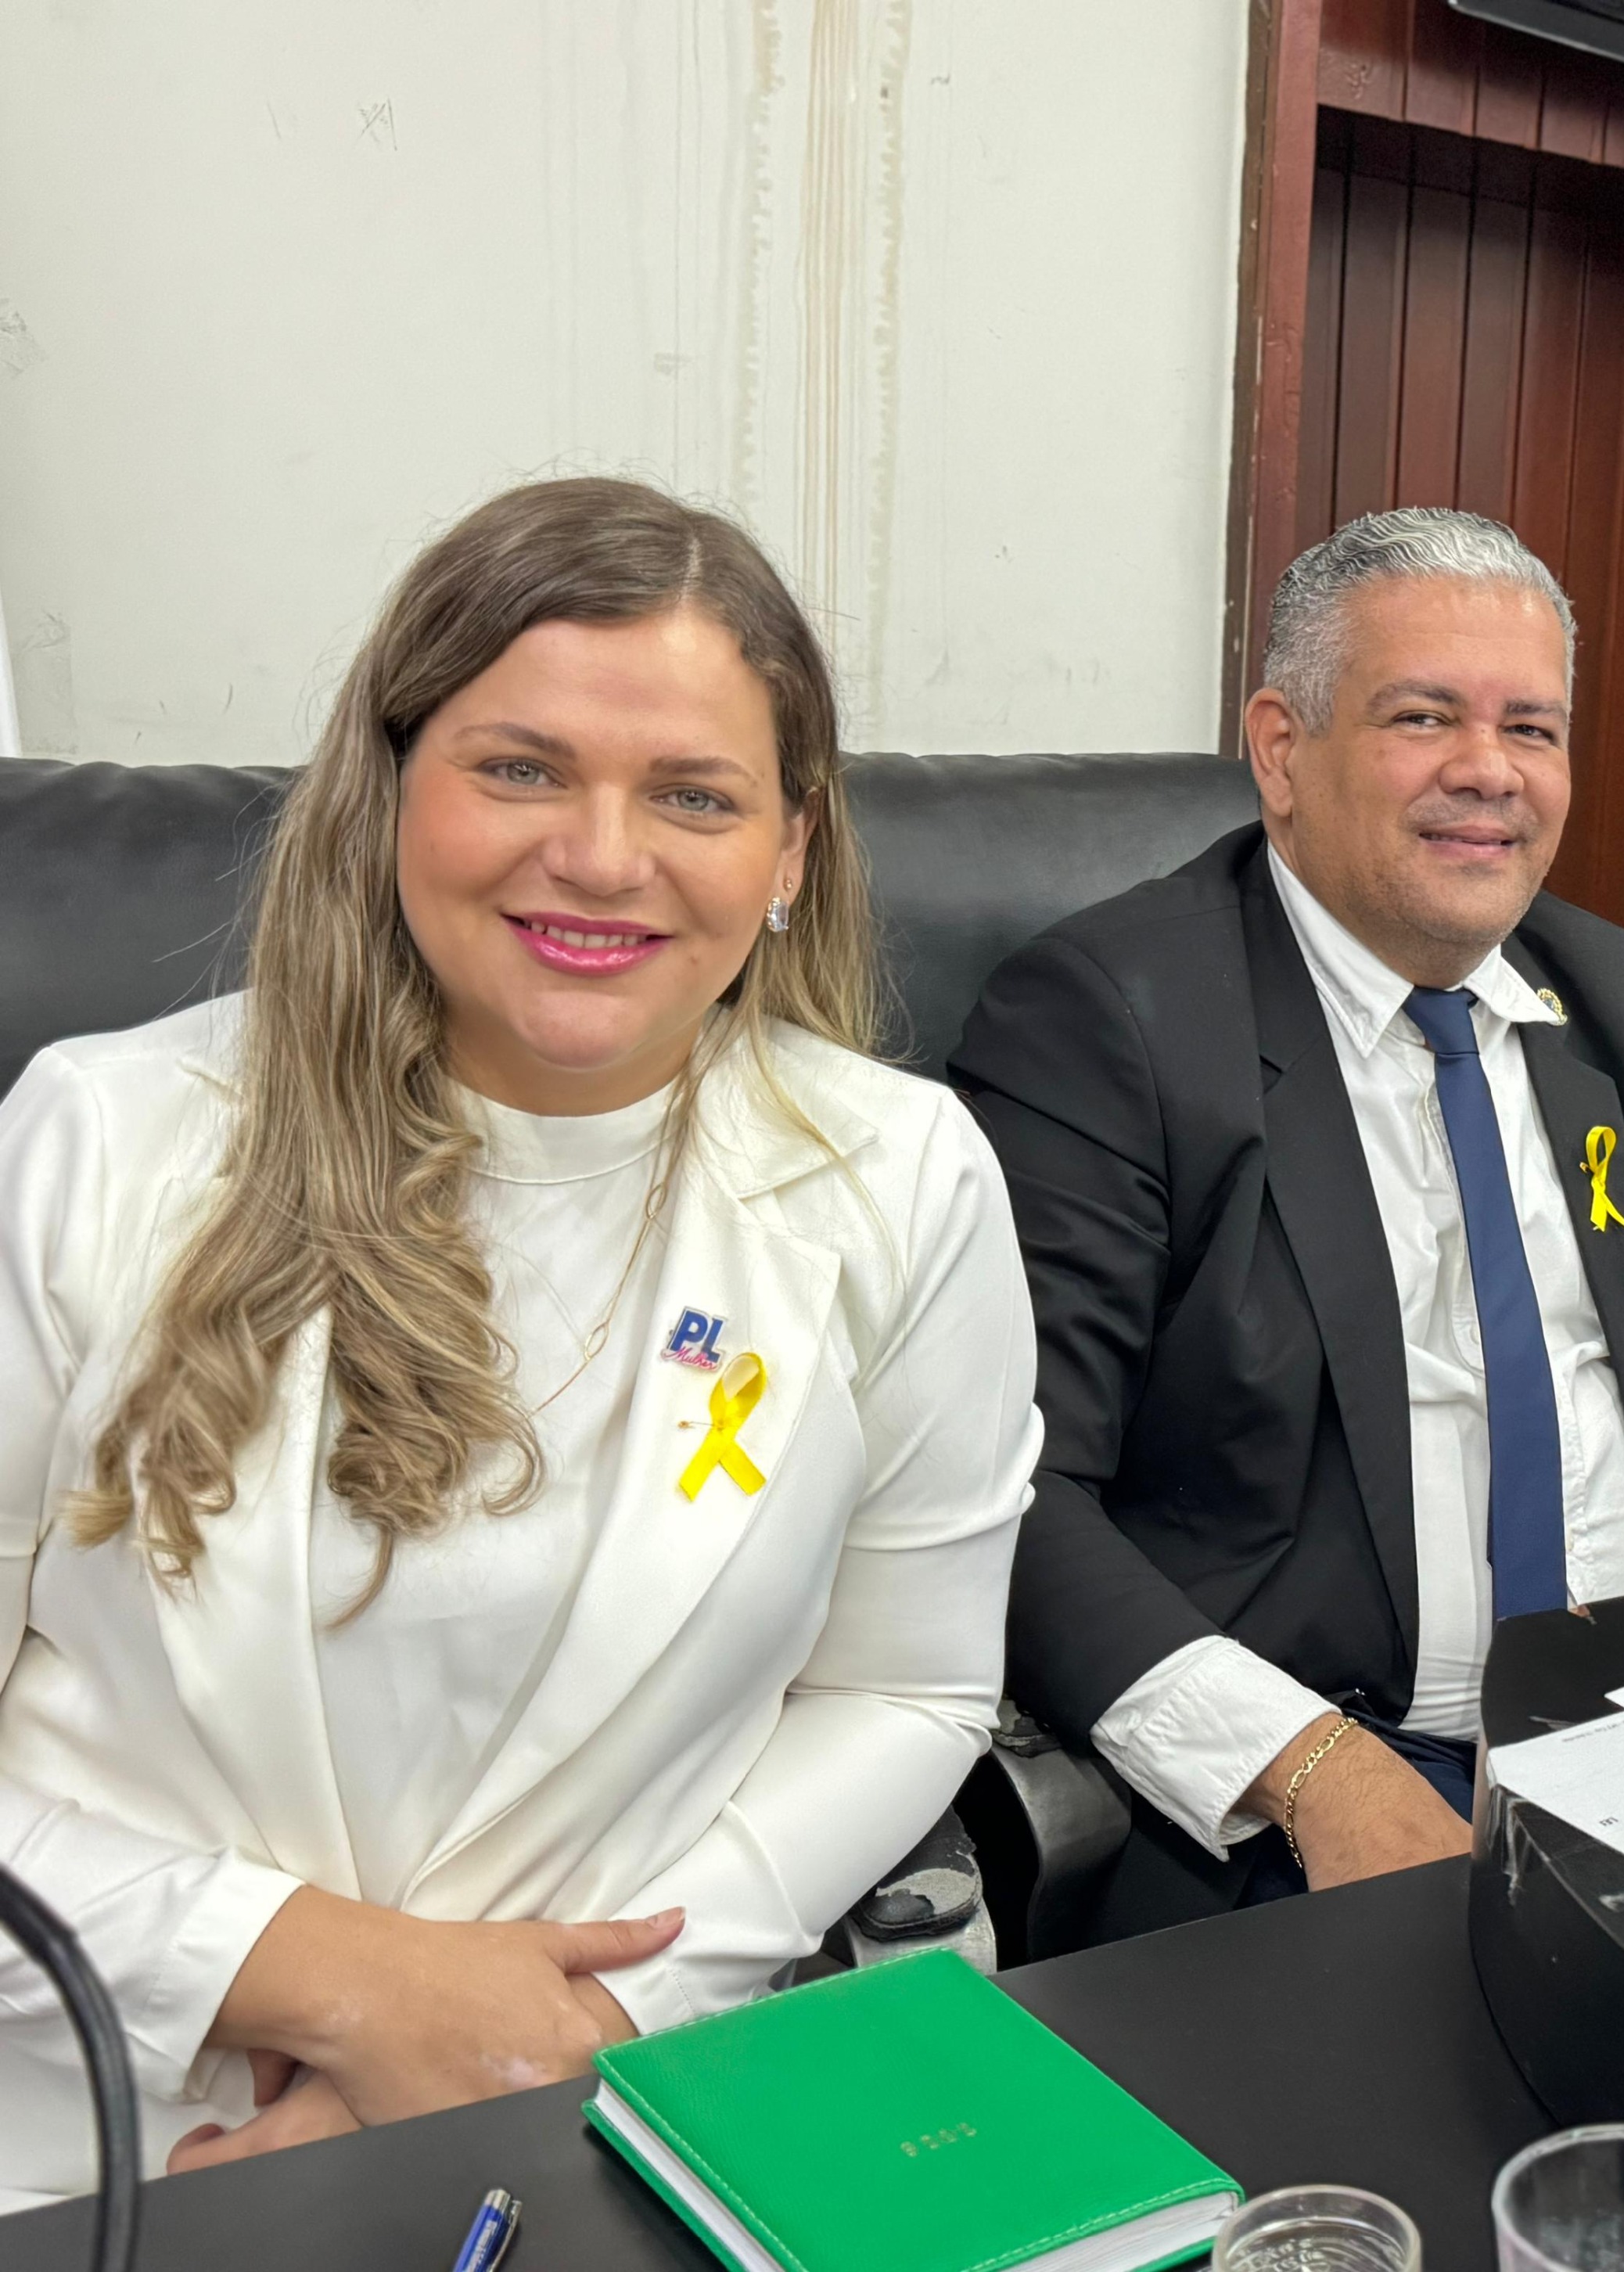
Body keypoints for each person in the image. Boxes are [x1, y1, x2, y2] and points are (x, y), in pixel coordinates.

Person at [0, 479, 1039, 2206]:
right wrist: (338, 1986)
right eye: (522, 768)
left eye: (694, 795)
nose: (604, 857)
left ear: (789, 852)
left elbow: (905, 1687)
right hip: (105, 2108)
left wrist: (576, 2020)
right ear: (388, 786)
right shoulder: (95, 1143)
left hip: (614, 2092)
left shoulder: (901, 1175)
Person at [950, 507, 1624, 1935]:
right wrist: (1317, 1774)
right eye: (1424, 716)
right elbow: (1012, 1489)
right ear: (1282, 749)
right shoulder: (1113, 1022)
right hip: (1333, 1763)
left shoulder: (1617, 997)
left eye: (1533, 727)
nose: (1489, 771)